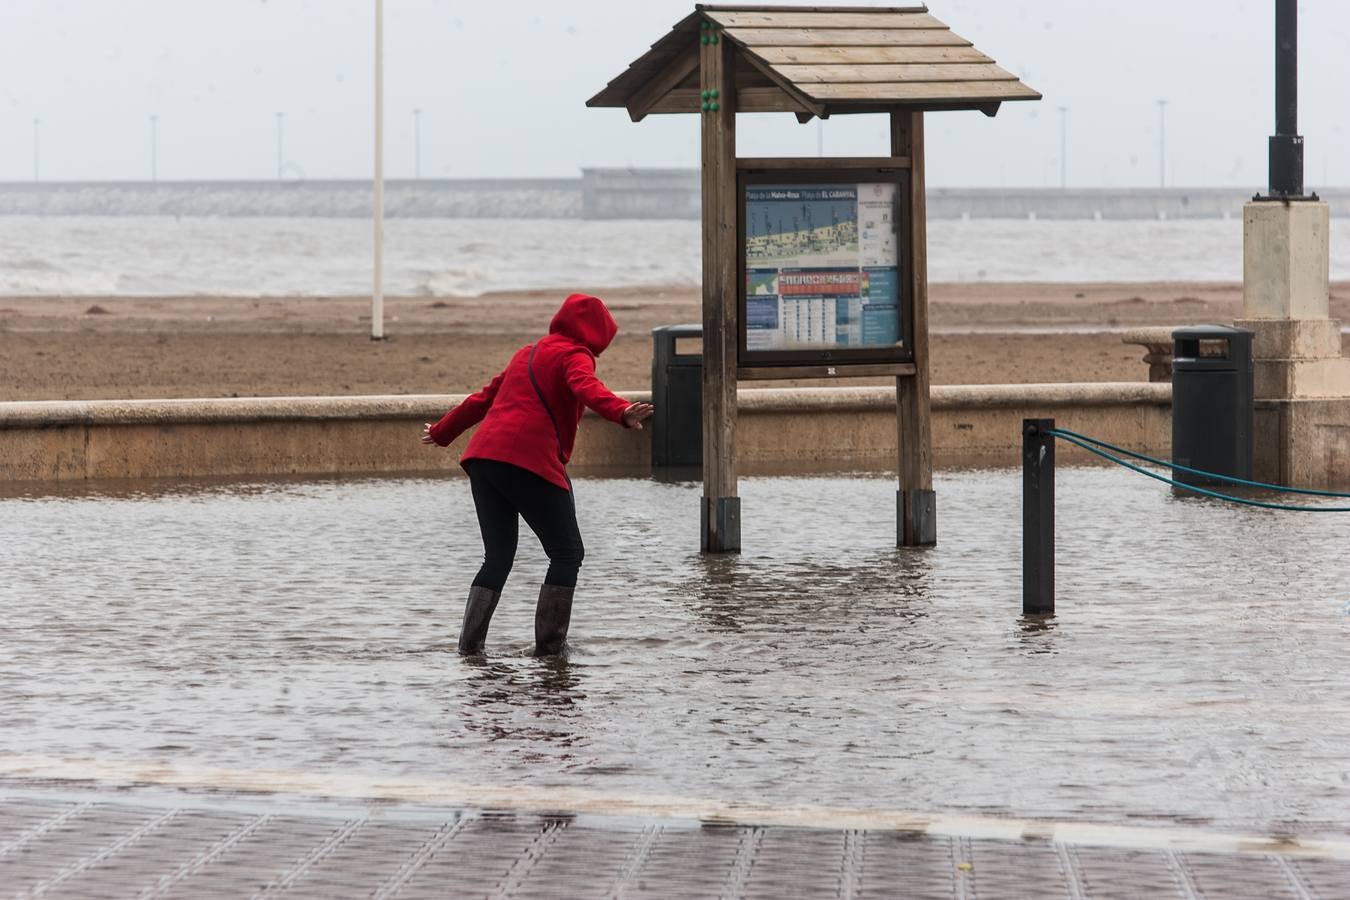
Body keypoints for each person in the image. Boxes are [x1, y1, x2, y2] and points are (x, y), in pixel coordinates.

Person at [421, 292, 654, 657]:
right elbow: (586, 387)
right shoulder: (575, 355)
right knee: (567, 553)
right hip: (528, 460)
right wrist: (621, 411)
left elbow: (482, 399)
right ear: (597, 334)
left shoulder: (526, 353)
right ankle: (550, 649)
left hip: (483, 460)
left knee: (497, 557)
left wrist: (441, 432)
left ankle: (469, 648)